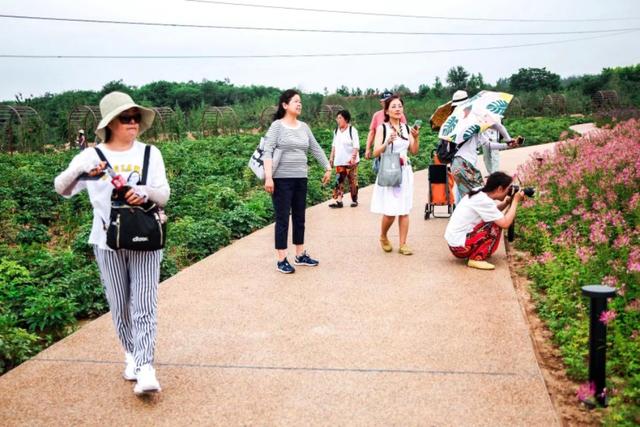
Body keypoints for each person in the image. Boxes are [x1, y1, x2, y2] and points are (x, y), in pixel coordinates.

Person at [54, 91, 170, 395]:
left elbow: (164, 194)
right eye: (125, 118)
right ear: (110, 123)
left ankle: (146, 367)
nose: (133, 123)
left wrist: (143, 191)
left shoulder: (150, 153)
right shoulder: (93, 156)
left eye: (135, 118)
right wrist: (81, 172)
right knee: (119, 305)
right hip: (107, 240)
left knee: (144, 303)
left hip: (146, 238)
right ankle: (131, 354)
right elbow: (61, 188)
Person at [263, 89, 332, 274]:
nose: (299, 104)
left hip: (301, 178)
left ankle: (300, 255)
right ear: (285, 105)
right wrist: (268, 177)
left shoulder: (304, 127)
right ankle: (281, 259)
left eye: (300, 101)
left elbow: (315, 147)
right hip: (281, 179)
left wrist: (327, 166)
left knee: (300, 218)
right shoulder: (277, 126)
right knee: (283, 218)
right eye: (295, 101)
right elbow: (267, 151)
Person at [370, 95, 420, 255]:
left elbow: (413, 150)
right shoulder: (382, 128)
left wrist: (416, 138)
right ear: (387, 110)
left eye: (400, 106)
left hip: (405, 171)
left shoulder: (406, 128)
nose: (398, 109)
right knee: (391, 212)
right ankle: (383, 236)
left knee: (404, 210)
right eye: (394, 106)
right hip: (391, 171)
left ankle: (403, 244)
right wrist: (387, 142)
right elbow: (375, 152)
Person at [444, 172, 524, 270]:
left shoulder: (479, 191)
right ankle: (476, 258)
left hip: (456, 243)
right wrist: (515, 201)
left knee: (494, 220)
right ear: (499, 189)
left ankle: (478, 252)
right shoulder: (483, 201)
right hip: (460, 248)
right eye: (508, 189)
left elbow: (492, 212)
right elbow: (505, 223)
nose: (509, 192)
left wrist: (507, 202)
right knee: (495, 225)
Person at [450, 106, 521, 202]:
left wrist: (507, 145)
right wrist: (509, 140)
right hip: (464, 164)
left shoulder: (464, 124)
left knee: (467, 198)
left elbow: (488, 144)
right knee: (481, 196)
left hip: (456, 164)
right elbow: (498, 126)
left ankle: (460, 215)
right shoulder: (475, 120)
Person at [328, 110, 359, 208]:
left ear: (346, 119)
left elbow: (356, 146)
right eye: (337, 118)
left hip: (351, 162)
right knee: (339, 181)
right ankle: (339, 201)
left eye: (340, 118)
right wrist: (331, 157)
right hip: (339, 161)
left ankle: (354, 200)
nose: (338, 120)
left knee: (352, 181)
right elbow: (334, 145)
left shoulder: (352, 130)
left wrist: (353, 158)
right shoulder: (336, 131)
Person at [364, 91, 407, 159]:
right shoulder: (377, 115)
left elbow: (405, 132)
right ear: (381, 103)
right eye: (385, 101)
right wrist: (368, 149)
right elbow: (372, 133)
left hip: (396, 153)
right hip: (380, 152)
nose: (387, 102)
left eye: (389, 100)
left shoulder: (399, 115)